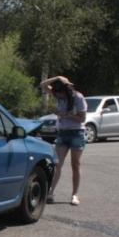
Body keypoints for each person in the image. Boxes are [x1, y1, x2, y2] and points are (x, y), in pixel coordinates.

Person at [40, 75, 87, 206]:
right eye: (56, 94)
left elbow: (82, 118)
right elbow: (42, 85)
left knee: (75, 164)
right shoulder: (58, 94)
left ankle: (74, 195)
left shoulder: (78, 97)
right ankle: (51, 192)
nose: (58, 96)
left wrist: (66, 114)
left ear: (65, 90)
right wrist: (57, 78)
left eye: (59, 93)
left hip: (77, 133)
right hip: (62, 133)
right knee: (57, 164)